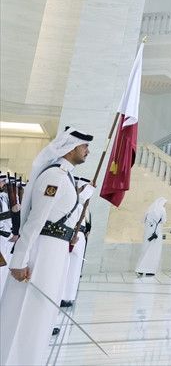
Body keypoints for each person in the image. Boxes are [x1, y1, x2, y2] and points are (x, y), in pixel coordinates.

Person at [0, 127, 93, 366]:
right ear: (71, 147)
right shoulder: (55, 176)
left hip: (54, 252)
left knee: (40, 314)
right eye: (84, 146)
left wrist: (70, 233)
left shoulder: (66, 176)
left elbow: (60, 214)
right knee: (26, 311)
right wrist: (19, 261)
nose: (88, 151)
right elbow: (36, 220)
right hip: (40, 254)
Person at [60, 175, 94, 307]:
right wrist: (88, 190)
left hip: (81, 237)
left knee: (75, 268)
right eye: (84, 188)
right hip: (71, 235)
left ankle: (69, 296)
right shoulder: (73, 202)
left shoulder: (85, 205)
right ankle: (61, 295)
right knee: (65, 267)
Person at [136, 197, 167, 275]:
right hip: (157, 233)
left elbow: (143, 220)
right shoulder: (162, 209)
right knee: (154, 251)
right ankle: (150, 270)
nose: (165, 205)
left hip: (148, 232)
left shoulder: (149, 209)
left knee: (145, 250)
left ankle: (140, 269)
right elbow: (164, 221)